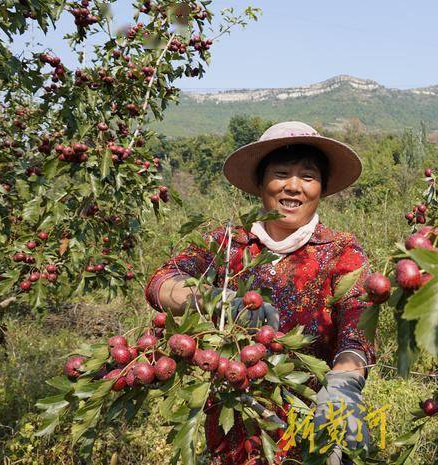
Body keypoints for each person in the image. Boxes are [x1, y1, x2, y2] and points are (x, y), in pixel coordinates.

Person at [144, 121, 377, 465]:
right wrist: (213, 300)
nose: (294, 187)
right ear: (260, 183)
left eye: (308, 177)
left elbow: (357, 333)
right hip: (235, 423)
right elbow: (161, 281)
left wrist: (344, 382)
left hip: (314, 419)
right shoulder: (227, 244)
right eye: (281, 173)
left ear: (322, 188)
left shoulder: (341, 251)